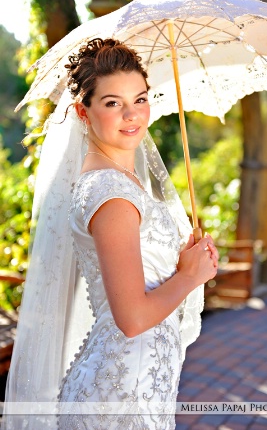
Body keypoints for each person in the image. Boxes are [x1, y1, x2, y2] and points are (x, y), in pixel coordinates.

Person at [2, 38, 218, 429]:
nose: (132, 115)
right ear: (83, 113)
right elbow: (132, 318)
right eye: (113, 103)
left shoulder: (122, 181)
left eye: (140, 99)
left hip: (138, 383)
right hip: (120, 396)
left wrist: (184, 259)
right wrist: (190, 276)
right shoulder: (111, 193)